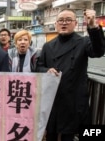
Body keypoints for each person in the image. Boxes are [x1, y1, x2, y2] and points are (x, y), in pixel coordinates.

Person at [36, 9, 105, 141]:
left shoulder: (83, 42)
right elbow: (38, 67)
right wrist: (47, 70)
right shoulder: (48, 46)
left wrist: (93, 27)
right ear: (56, 24)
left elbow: (98, 51)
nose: (64, 23)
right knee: (51, 134)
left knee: (72, 135)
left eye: (68, 20)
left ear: (75, 23)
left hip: (74, 100)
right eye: (61, 20)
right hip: (53, 100)